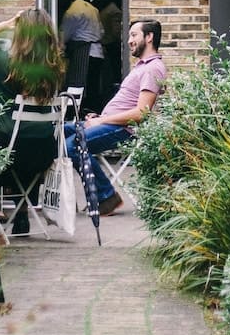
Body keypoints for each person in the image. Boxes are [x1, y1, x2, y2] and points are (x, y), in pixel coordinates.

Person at [0, 9, 66, 235]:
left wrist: (6, 23)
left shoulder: (1, 62)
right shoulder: (55, 69)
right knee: (23, 138)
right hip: (44, 154)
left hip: (6, 152)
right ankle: (20, 213)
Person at [64, 19, 166, 216]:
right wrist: (100, 117)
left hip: (123, 128)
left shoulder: (153, 68)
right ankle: (56, 199)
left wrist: (101, 121)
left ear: (149, 37)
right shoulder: (140, 67)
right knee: (56, 132)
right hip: (110, 122)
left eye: (134, 35)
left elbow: (140, 113)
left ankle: (106, 197)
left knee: (73, 145)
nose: (129, 40)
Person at [60, 0, 104, 112]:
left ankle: (74, 112)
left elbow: (65, 35)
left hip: (83, 52)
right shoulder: (93, 9)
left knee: (77, 85)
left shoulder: (73, 11)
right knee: (93, 87)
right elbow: (102, 31)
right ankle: (93, 111)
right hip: (98, 52)